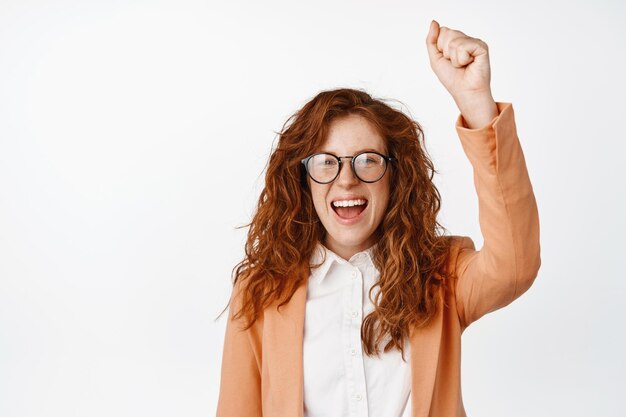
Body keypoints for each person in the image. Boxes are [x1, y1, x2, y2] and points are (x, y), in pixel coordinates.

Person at [215, 19, 541, 417]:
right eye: (326, 163)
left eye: (368, 160)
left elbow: (515, 267)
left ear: (395, 176)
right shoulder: (260, 292)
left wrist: (476, 104)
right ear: (302, 180)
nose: (346, 180)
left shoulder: (442, 276)